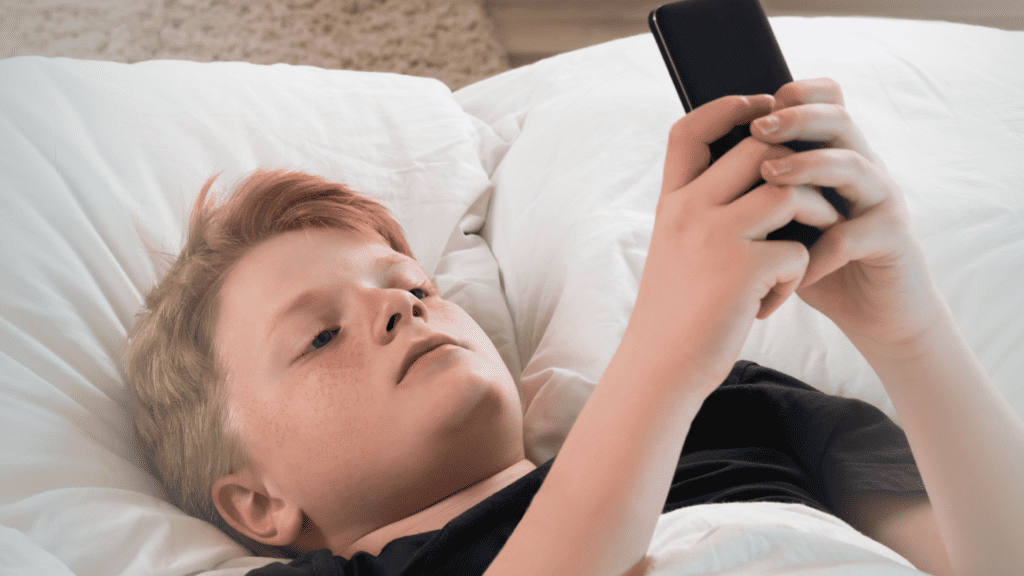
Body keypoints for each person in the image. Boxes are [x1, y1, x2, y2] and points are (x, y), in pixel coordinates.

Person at [124, 78, 1024, 576]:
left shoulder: (729, 414)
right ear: (259, 504)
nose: (400, 305)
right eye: (320, 336)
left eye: (414, 284)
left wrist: (907, 331)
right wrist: (667, 353)